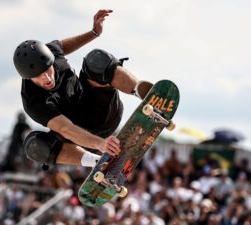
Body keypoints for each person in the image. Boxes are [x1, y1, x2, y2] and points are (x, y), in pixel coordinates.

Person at [13, 9, 152, 169]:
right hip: (80, 136)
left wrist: (94, 32)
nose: (48, 78)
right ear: (28, 78)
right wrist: (100, 144)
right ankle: (98, 163)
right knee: (35, 145)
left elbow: (65, 45)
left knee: (96, 59)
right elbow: (66, 129)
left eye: (48, 70)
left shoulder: (52, 51)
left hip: (102, 111)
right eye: (40, 76)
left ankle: (143, 92)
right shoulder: (33, 101)